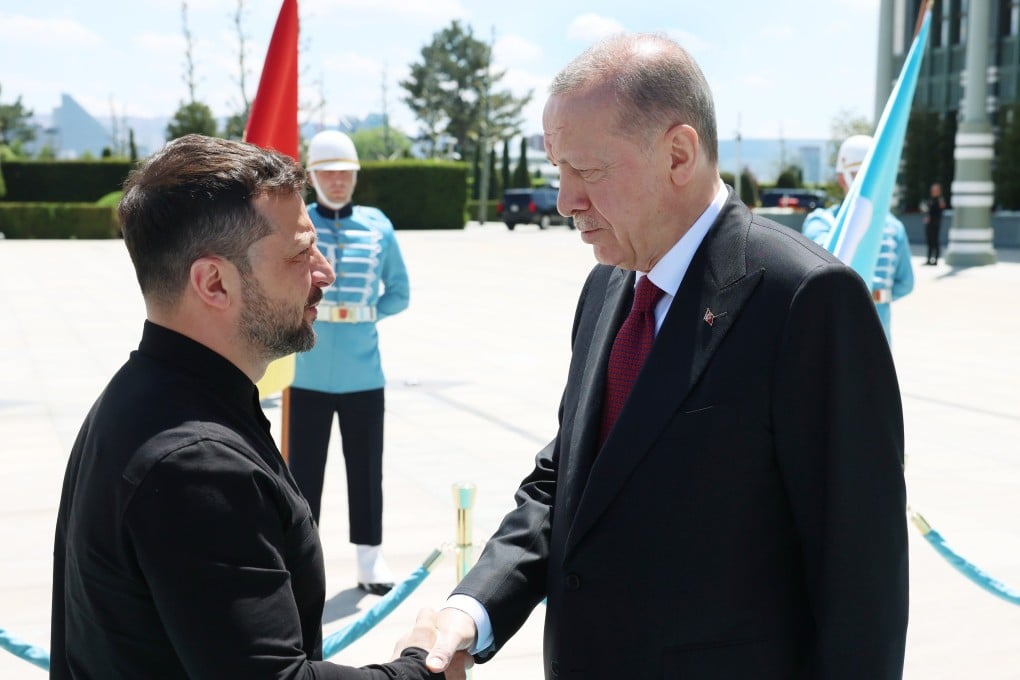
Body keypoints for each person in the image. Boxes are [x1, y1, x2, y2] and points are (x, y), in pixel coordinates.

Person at [426, 33, 908, 679]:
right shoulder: (609, 285)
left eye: (588, 171)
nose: (567, 200)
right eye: (557, 172)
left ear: (678, 153)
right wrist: (473, 609)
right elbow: (570, 479)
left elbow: (860, 573)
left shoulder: (806, 299)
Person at [50, 134, 442, 679]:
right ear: (214, 282)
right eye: (301, 253)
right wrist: (421, 669)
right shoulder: (196, 463)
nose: (324, 272)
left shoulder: (143, 395)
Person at [284, 129, 410, 596]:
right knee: (301, 474)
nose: (337, 181)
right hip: (308, 372)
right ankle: (300, 559)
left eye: (344, 173)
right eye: (327, 172)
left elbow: (400, 290)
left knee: (365, 466)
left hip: (363, 371)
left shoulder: (378, 226)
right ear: (313, 177)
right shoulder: (297, 224)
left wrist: (367, 312)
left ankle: (369, 556)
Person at [802, 134, 915, 344]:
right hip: (855, 327)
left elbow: (906, 282)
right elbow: (904, 283)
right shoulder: (823, 223)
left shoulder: (822, 223)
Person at [923, 181, 947, 265]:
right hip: (929, 224)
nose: (933, 191)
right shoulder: (931, 199)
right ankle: (929, 259)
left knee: (935, 241)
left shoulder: (940, 199)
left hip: (935, 224)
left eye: (935, 190)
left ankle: (935, 260)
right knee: (929, 241)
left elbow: (941, 208)